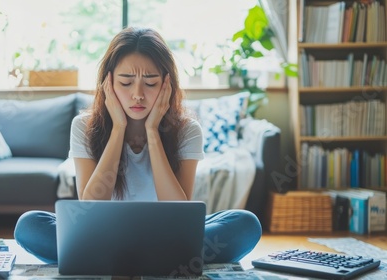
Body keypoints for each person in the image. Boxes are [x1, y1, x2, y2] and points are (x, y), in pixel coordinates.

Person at [14, 27, 261, 264]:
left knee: (245, 224)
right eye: (126, 82)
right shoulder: (84, 126)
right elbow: (89, 205)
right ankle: (156, 260)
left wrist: (153, 132)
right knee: (30, 225)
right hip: (103, 234)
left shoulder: (187, 130)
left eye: (151, 83)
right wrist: (118, 129)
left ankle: (117, 259)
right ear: (108, 84)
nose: (138, 94)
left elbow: (178, 213)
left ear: (167, 84)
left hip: (166, 236)